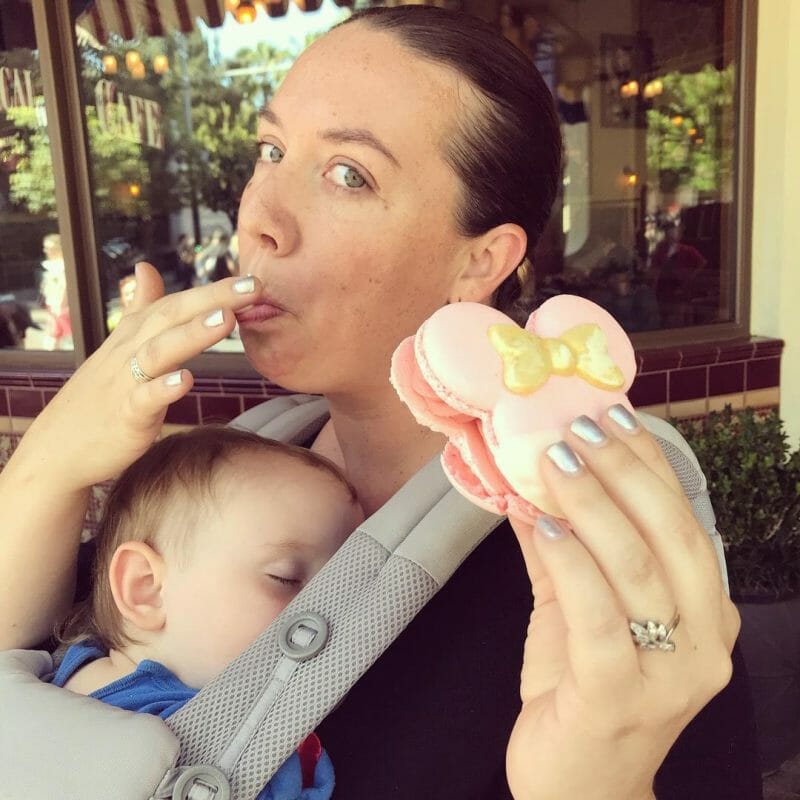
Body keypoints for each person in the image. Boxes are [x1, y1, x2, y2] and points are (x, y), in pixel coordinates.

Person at [0, 7, 760, 799]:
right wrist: (52, 466)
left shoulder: (593, 537)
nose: (258, 219)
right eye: (271, 151)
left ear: (482, 261)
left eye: (348, 174)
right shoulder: (233, 467)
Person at [52, 425, 362, 799]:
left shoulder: (66, 677)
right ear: (146, 588)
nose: (331, 603)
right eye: (285, 577)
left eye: (346, 584)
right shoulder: (210, 758)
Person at [39, 233, 73, 350]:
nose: (47, 251)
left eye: (50, 248)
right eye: (45, 248)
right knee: (54, 336)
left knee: (66, 337)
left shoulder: (62, 265)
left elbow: (65, 285)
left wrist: (61, 304)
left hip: (61, 306)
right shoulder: (52, 265)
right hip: (53, 305)